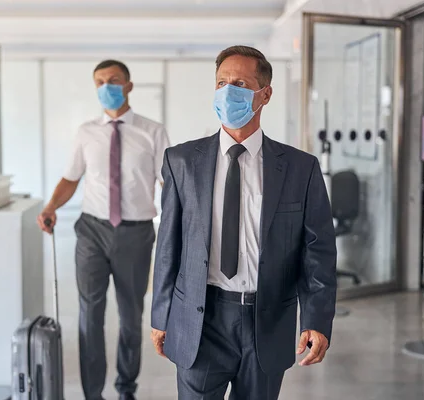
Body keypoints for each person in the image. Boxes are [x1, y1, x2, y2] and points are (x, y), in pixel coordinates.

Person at [150, 45, 337, 399]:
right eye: (221, 83)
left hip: (266, 320)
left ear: (264, 94)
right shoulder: (182, 161)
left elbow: (318, 252)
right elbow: (168, 245)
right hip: (201, 319)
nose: (227, 92)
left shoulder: (300, 168)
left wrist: (317, 318)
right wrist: (161, 314)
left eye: (238, 83)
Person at [38, 59, 170, 400]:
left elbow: (167, 182)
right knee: (89, 316)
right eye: (99, 81)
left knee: (130, 317)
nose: (105, 87)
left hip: (136, 234)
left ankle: (126, 388)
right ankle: (92, 393)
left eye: (113, 80)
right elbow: (71, 178)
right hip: (92, 231)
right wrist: (51, 207)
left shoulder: (152, 131)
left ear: (128, 86)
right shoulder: (86, 132)